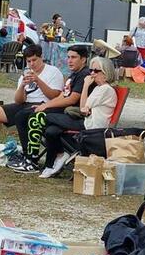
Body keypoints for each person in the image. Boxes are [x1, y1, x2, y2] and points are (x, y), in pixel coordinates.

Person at [10, 45, 90, 174]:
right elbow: (62, 96)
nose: (69, 60)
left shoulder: (84, 75)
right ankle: (28, 156)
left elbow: (72, 100)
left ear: (83, 59)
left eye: (74, 57)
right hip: (64, 110)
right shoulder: (74, 75)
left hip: (75, 114)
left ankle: (32, 161)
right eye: (68, 57)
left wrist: (46, 106)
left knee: (35, 117)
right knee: (22, 115)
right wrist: (45, 105)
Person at [40, 57, 117, 178]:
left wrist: (85, 85)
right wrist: (86, 108)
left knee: (47, 117)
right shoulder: (98, 88)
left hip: (92, 127)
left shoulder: (106, 90)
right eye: (91, 70)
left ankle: (56, 159)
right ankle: (54, 161)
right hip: (86, 120)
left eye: (96, 71)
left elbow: (82, 108)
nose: (92, 73)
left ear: (105, 73)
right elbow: (84, 109)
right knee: (52, 130)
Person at [0, 44, 63, 146]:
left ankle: (28, 152)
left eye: (34, 60)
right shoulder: (26, 73)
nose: (32, 64)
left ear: (41, 57)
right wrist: (22, 86)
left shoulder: (53, 72)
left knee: (23, 115)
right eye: (29, 61)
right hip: (26, 104)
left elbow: (55, 96)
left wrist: (38, 80)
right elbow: (18, 101)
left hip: (43, 105)